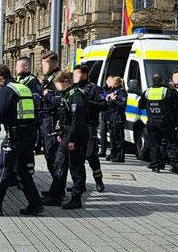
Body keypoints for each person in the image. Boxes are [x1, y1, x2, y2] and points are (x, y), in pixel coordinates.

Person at [0, 65, 43, 217]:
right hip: (28, 134)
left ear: (0, 77)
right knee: (22, 170)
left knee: (3, 170)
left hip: (14, 136)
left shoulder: (7, 90)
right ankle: (35, 204)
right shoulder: (23, 87)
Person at [41, 71, 89, 210]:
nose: (56, 87)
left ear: (66, 81)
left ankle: (76, 197)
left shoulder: (76, 96)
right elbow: (64, 116)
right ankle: (55, 195)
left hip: (76, 136)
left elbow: (77, 120)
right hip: (67, 134)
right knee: (59, 164)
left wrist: (72, 140)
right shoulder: (66, 94)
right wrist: (61, 132)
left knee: (75, 167)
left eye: (58, 84)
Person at [138, 73, 178, 173]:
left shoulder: (148, 91)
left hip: (152, 123)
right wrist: (173, 89)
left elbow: (141, 105)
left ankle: (156, 165)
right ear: (162, 81)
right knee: (172, 144)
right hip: (166, 123)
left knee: (154, 145)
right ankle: (175, 166)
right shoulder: (167, 91)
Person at [72, 64, 107, 192]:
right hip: (76, 126)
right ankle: (80, 184)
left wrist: (87, 103)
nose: (74, 76)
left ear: (85, 75)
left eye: (77, 74)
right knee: (76, 156)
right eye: (74, 73)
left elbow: (104, 105)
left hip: (89, 125)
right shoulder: (73, 89)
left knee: (91, 154)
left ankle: (98, 179)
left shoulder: (94, 89)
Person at [38, 52, 62, 173]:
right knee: (48, 153)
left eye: (46, 63)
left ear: (54, 63)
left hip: (53, 118)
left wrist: (47, 95)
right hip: (45, 118)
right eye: (42, 64)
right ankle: (56, 186)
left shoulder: (59, 78)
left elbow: (59, 101)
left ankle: (58, 187)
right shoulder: (49, 78)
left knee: (52, 153)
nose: (43, 67)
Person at [14, 57, 43, 155]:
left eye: (18, 66)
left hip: (28, 116)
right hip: (17, 115)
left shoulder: (33, 81)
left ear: (26, 66)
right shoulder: (17, 79)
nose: (16, 68)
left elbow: (36, 99)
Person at [105, 76, 128, 162]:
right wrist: (108, 98)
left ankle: (120, 156)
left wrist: (114, 99)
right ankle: (113, 153)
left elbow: (122, 104)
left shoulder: (122, 92)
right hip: (112, 116)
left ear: (116, 83)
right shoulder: (113, 91)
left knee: (118, 137)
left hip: (118, 116)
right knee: (112, 136)